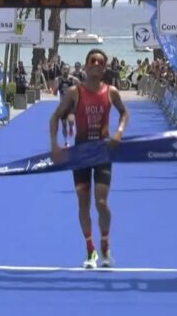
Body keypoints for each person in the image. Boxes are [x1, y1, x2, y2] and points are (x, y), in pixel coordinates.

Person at [49, 49, 129, 269]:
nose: (96, 64)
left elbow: (124, 113)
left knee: (101, 203)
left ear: (104, 68)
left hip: (103, 152)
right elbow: (55, 116)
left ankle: (105, 244)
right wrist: (54, 145)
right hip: (81, 154)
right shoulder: (75, 92)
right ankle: (90, 249)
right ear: (85, 66)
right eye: (92, 61)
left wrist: (119, 132)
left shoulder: (111, 92)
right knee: (83, 203)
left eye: (100, 62)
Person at [55, 64, 80, 146]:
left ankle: (72, 127)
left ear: (69, 70)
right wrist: (56, 88)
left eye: (67, 69)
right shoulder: (58, 79)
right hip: (62, 105)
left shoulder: (73, 79)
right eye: (64, 69)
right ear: (61, 70)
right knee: (64, 125)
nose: (65, 71)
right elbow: (55, 93)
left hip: (71, 105)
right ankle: (66, 141)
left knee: (71, 121)